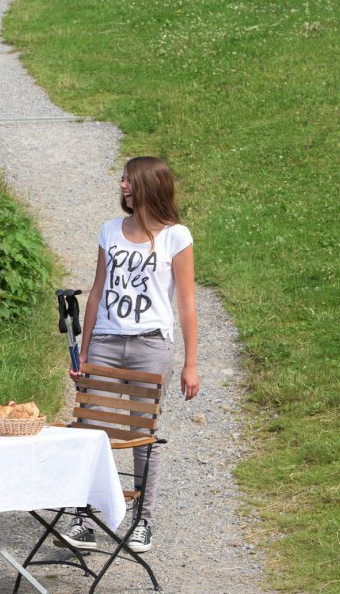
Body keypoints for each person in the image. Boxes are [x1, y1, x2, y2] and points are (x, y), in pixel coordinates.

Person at [59, 156, 199, 555]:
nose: (122, 186)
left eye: (128, 180)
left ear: (149, 186)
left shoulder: (177, 237)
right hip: (105, 341)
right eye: (122, 180)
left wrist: (191, 363)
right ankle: (82, 517)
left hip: (151, 344)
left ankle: (143, 521)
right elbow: (97, 292)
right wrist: (82, 354)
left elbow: (187, 305)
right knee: (91, 429)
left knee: (142, 434)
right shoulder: (109, 231)